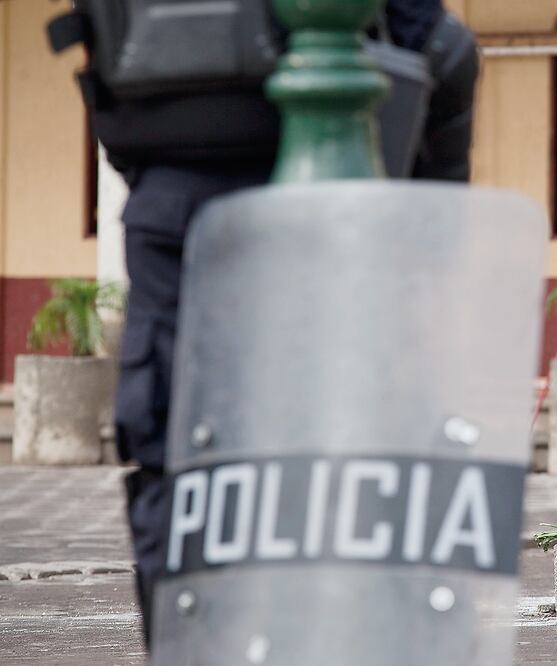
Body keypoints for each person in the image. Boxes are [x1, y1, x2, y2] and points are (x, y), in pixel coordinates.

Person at [48, 0, 478, 642]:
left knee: (178, 456)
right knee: (351, 453)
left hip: (173, 199)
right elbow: (443, 52)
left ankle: (188, 644)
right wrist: (428, 224)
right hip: (348, 208)